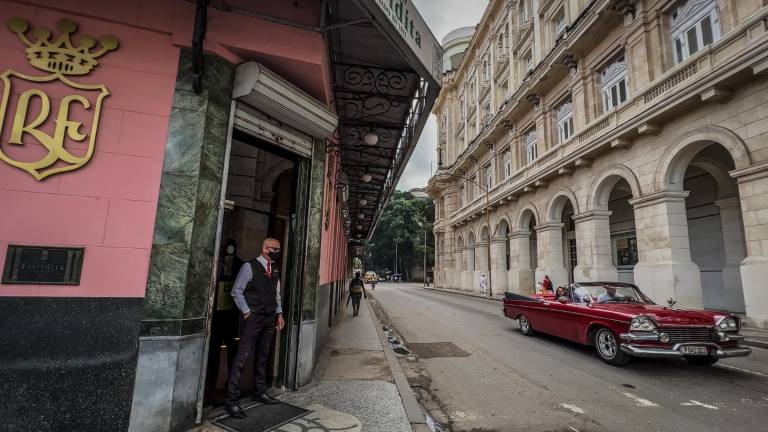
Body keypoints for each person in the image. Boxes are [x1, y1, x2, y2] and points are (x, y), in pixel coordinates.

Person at [224, 238, 286, 419]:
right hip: (252, 319)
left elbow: (277, 294)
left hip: (269, 318)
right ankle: (231, 401)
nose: (277, 251)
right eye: (275, 249)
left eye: (279, 249)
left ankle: (259, 392)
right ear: (265, 248)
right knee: (242, 358)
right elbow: (237, 291)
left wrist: (279, 314)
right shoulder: (249, 267)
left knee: (263, 357)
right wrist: (246, 312)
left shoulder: (274, 269)